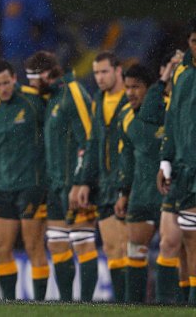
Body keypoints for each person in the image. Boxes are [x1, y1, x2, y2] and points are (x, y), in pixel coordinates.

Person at [23, 51, 94, 301]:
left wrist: (82, 181)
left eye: (33, 80)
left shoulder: (73, 93)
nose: (32, 86)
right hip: (56, 186)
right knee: (56, 244)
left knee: (83, 242)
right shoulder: (53, 98)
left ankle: (86, 306)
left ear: (44, 75)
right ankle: (66, 304)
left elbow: (89, 137)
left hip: (74, 184)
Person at [0, 59, 48, 301]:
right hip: (4, 186)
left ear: (15, 79)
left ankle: (39, 305)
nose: (4, 88)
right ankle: (10, 305)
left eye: (7, 83)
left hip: (32, 185)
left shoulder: (34, 100)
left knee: (33, 246)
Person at [76, 52, 128, 302]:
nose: (99, 77)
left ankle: (134, 301)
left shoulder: (131, 99)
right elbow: (94, 142)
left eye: (104, 71)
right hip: (105, 184)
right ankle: (122, 304)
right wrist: (86, 180)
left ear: (119, 71)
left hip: (128, 184)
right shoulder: (98, 99)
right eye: (96, 73)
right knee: (111, 248)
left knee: (129, 248)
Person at [113, 64, 162, 302]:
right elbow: (127, 158)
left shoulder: (169, 110)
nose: (130, 92)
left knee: (176, 250)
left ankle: (177, 306)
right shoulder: (125, 117)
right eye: (127, 87)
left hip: (170, 196)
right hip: (141, 195)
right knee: (135, 250)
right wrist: (124, 192)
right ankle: (135, 308)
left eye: (137, 87)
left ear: (149, 89)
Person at [158, 18, 196, 304]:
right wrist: (165, 162)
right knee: (189, 239)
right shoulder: (182, 74)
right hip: (187, 168)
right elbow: (172, 120)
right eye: (194, 41)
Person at [0, 0, 56, 82]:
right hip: (10, 44)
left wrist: (39, 33)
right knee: (13, 75)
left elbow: (42, 18)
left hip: (28, 44)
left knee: (30, 75)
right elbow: (0, 16)